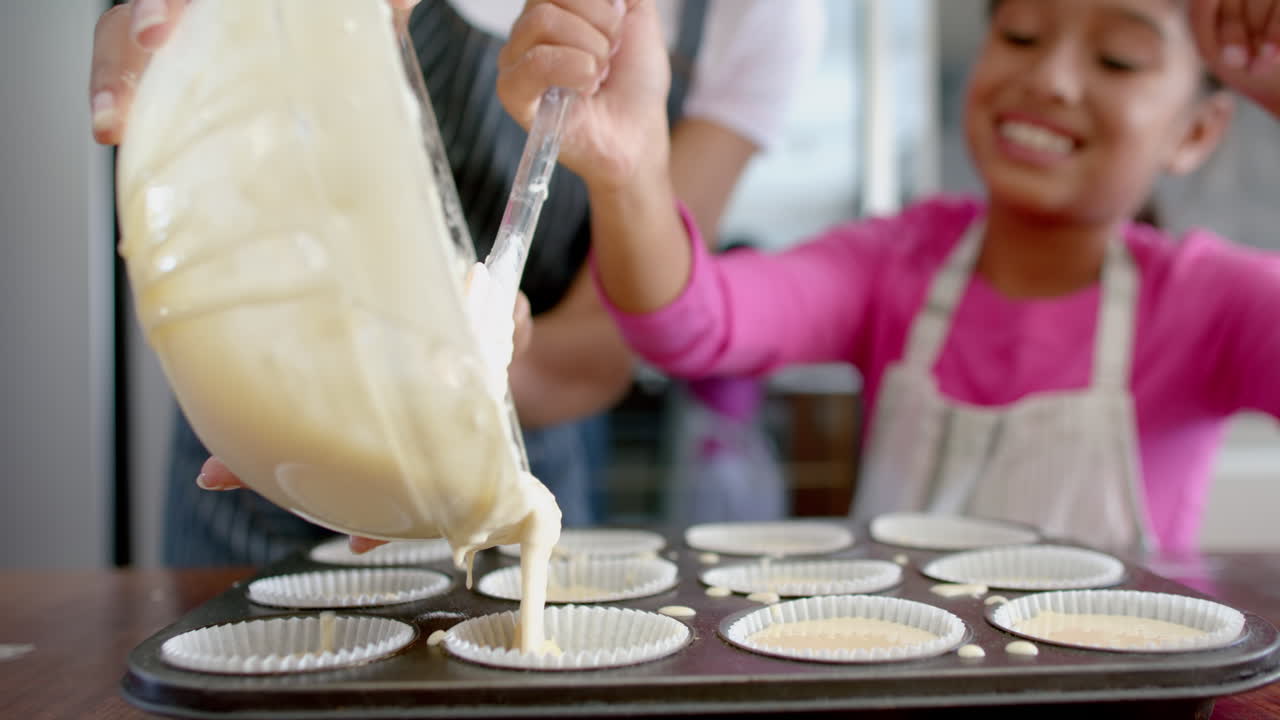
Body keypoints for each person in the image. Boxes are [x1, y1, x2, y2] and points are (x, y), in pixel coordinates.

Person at [497, 0, 1280, 553]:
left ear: (1198, 131)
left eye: (1118, 58)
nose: (1052, 80)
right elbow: (695, 321)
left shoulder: (1213, 303)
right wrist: (630, 172)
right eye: (1020, 34)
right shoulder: (897, 261)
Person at [90, 0, 824, 565]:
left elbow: (600, 349)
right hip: (258, 434)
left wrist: (454, 369)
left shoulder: (756, 17)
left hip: (516, 453)